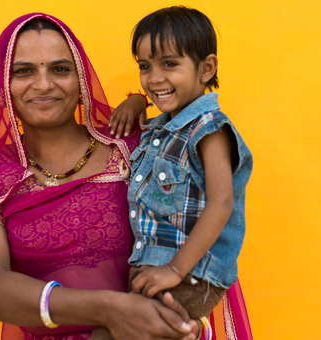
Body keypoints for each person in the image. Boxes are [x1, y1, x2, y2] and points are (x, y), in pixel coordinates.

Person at [0, 13, 198, 340]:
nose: (44, 85)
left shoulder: (132, 148)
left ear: (81, 80)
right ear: (3, 87)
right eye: (24, 71)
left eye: (60, 69)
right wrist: (110, 309)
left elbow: (196, 230)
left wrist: (138, 100)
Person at [94, 6, 254, 340]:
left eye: (169, 64)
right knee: (110, 328)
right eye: (144, 66)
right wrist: (137, 101)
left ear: (206, 68)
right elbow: (143, 123)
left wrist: (175, 269)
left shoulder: (210, 130)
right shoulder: (162, 130)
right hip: (155, 269)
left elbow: (222, 203)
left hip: (189, 274)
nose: (154, 78)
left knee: (120, 332)